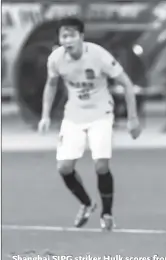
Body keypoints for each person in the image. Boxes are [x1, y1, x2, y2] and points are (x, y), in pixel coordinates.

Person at [37, 17, 142, 231]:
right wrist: (45, 115)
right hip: (73, 115)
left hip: (101, 112)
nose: (67, 41)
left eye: (71, 35)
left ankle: (107, 213)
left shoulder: (99, 56)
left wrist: (133, 118)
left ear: (81, 37)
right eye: (63, 36)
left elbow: (127, 84)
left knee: (101, 165)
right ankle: (86, 203)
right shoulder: (56, 59)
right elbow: (51, 85)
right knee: (64, 168)